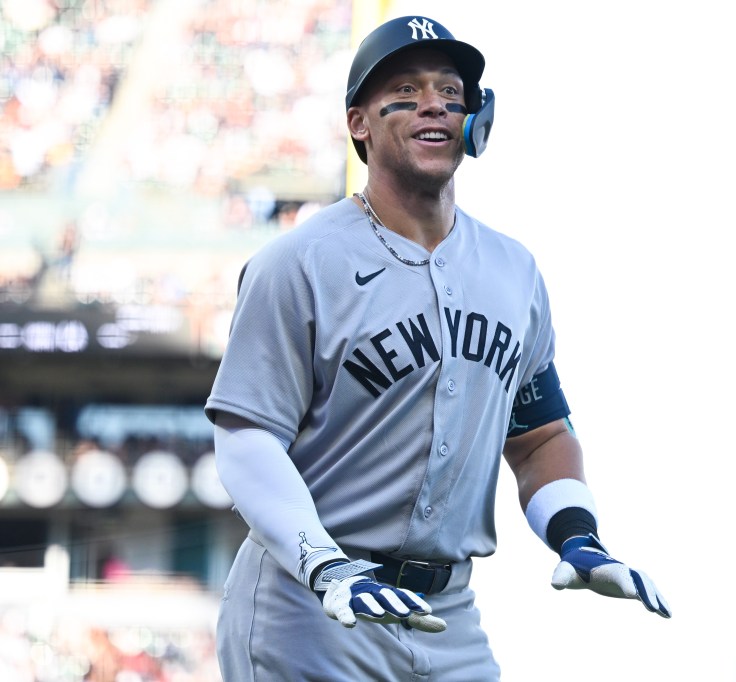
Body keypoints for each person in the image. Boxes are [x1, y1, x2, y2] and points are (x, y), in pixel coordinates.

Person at [205, 15, 670, 681]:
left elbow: (539, 436)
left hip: (449, 614)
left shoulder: (514, 271)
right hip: (310, 609)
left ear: (476, 120)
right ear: (359, 122)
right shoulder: (297, 264)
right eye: (406, 87)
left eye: (450, 90)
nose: (434, 103)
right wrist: (326, 566)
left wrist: (578, 534)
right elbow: (248, 437)